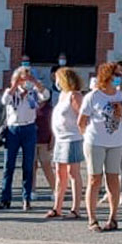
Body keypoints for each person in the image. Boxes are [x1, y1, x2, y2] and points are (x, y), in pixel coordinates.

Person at [79, 61, 122, 229]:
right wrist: (87, 136)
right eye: (116, 75)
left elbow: (121, 117)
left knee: (113, 178)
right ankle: (92, 218)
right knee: (94, 179)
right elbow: (82, 121)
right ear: (107, 76)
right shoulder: (93, 96)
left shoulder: (119, 95)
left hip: (115, 142)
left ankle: (113, 217)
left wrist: (119, 111)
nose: (119, 78)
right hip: (95, 141)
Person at [0, 66, 47, 210]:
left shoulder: (33, 93)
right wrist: (15, 85)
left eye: (28, 78)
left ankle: (26, 198)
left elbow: (46, 96)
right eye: (23, 78)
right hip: (13, 129)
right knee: (9, 165)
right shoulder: (11, 93)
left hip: (29, 128)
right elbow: (5, 101)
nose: (26, 81)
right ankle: (5, 199)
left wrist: (36, 83)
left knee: (28, 165)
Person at [46, 67, 85, 219]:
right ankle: (57, 207)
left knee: (72, 173)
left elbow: (82, 116)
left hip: (72, 137)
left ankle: (75, 209)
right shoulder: (62, 95)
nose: (56, 82)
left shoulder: (74, 95)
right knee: (60, 174)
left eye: (57, 79)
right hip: (60, 138)